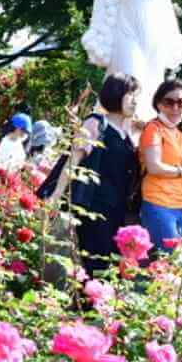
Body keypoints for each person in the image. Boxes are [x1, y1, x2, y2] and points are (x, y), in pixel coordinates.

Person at [67, 73, 141, 275]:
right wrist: (55, 197)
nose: (135, 101)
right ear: (116, 94)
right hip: (95, 208)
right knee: (94, 265)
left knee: (110, 267)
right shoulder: (96, 123)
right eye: (130, 94)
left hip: (117, 211)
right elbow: (71, 161)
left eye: (136, 95)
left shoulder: (126, 132)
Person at [138, 78, 182, 253]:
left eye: (181, 102)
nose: (175, 108)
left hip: (180, 205)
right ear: (158, 104)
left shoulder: (178, 133)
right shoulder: (153, 129)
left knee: (176, 265)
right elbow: (154, 166)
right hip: (159, 203)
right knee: (168, 263)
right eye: (169, 102)